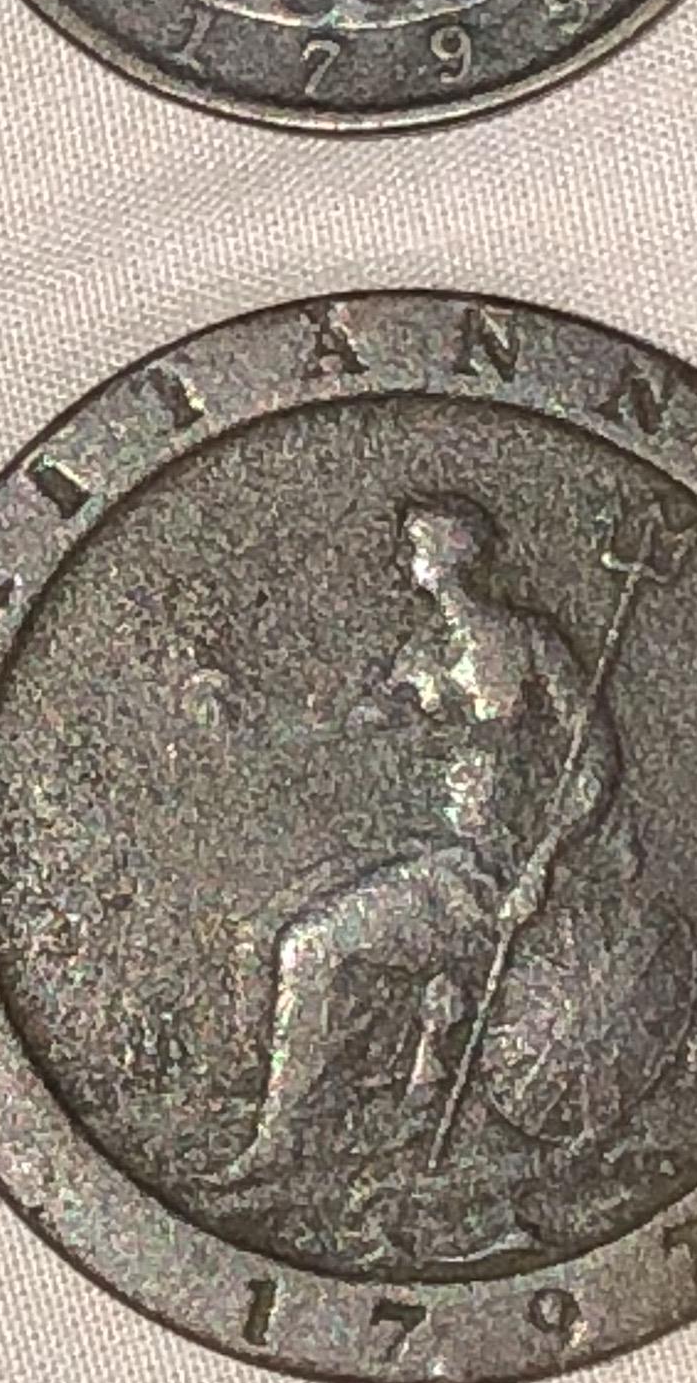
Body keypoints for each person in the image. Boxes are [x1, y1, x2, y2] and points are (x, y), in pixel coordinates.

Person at [220, 494, 616, 1184]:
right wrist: (255, 719)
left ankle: (278, 1140)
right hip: (424, 858)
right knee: (274, 929)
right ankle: (308, 1120)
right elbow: (346, 728)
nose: (408, 557)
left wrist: (542, 868)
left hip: (492, 870)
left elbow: (596, 764)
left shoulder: (526, 643)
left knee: (308, 944)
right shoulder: (421, 656)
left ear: (461, 547)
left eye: (418, 543)